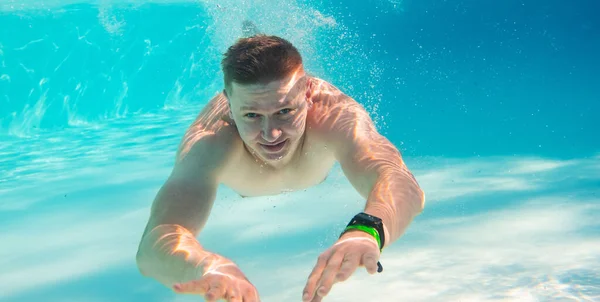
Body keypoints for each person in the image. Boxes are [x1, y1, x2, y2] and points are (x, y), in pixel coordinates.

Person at [135, 34, 425, 302]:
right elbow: (153, 245)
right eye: (251, 115)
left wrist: (367, 230)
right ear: (228, 103)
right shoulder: (211, 143)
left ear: (307, 91)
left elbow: (399, 180)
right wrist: (205, 268)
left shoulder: (333, 117)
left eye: (284, 111)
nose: (270, 134)